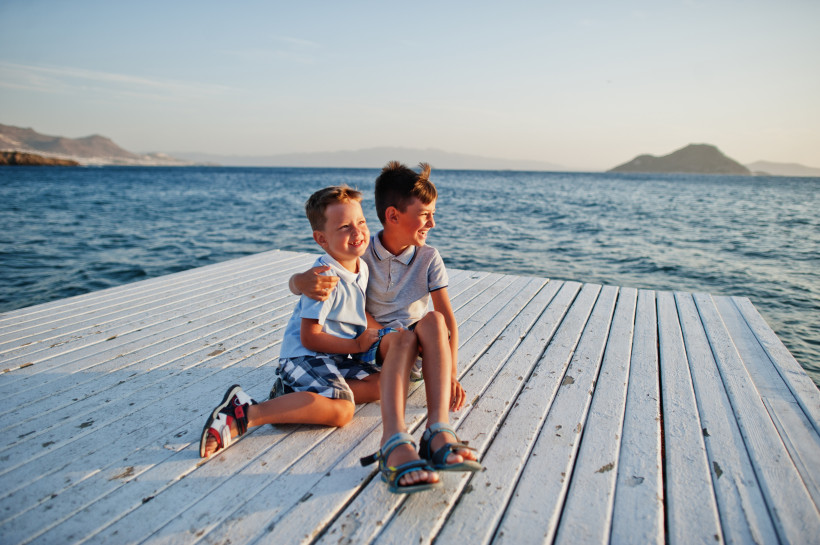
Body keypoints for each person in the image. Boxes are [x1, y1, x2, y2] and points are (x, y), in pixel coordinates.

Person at [200, 185, 440, 494]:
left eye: (361, 222)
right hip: (305, 356)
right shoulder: (324, 278)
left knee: (386, 384)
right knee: (343, 410)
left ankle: (296, 396)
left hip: (335, 356)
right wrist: (356, 345)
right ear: (321, 239)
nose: (357, 232)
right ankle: (246, 412)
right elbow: (309, 337)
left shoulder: (360, 267)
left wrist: (384, 334)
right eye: (344, 227)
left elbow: (355, 312)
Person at [290, 161, 481, 481]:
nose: (432, 222)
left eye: (433, 213)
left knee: (434, 320)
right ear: (393, 216)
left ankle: (438, 429)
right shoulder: (361, 253)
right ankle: (389, 436)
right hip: (376, 347)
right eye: (425, 214)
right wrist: (298, 281)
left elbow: (447, 318)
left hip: (416, 350)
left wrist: (451, 374)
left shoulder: (429, 257)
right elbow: (326, 279)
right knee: (399, 342)